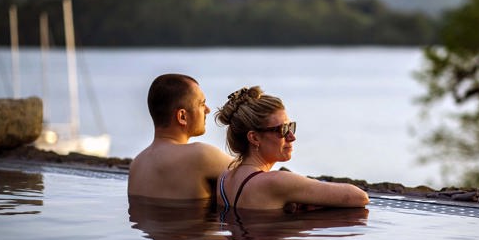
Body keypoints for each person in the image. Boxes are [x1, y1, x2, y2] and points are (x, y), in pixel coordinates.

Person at [215, 86, 369, 210]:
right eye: (282, 130)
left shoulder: (224, 179)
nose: (291, 137)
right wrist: (305, 188)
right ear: (254, 138)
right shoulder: (276, 181)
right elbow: (359, 197)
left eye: (291, 127)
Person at [128, 73, 232, 199]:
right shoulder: (200, 156)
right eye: (202, 104)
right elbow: (253, 174)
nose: (208, 110)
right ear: (182, 116)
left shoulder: (137, 164)